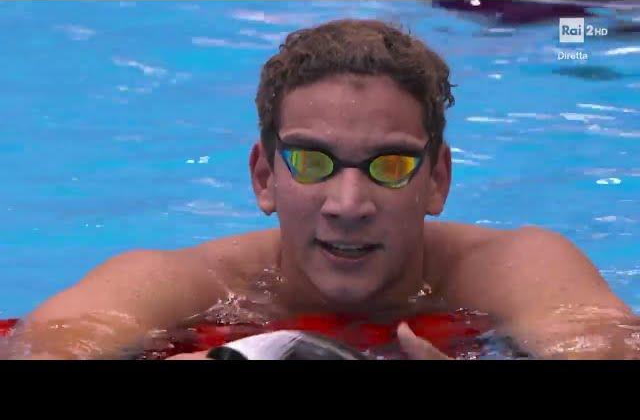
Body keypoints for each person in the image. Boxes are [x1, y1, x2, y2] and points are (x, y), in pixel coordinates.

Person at [3, 19, 637, 360]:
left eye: (390, 165)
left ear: (438, 179)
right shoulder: (195, 287)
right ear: (263, 177)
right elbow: (49, 350)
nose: (348, 205)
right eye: (312, 162)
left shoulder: (512, 268)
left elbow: (602, 347)